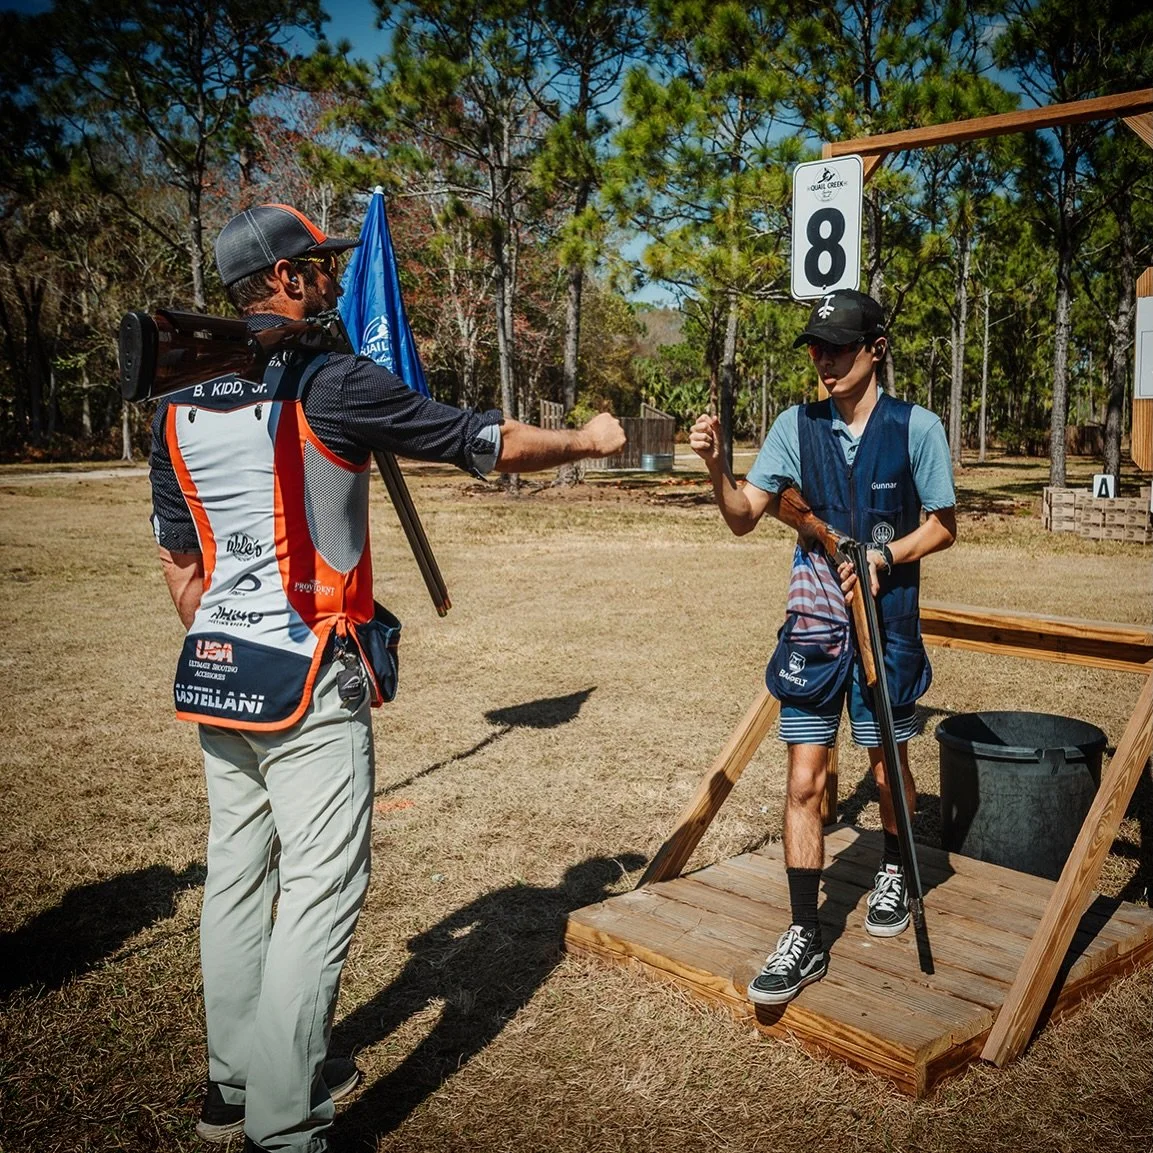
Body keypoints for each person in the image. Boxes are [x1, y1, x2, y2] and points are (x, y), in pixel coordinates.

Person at [148, 203, 626, 1153]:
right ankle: (284, 1124)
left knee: (238, 880)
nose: (329, 279)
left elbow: (179, 566)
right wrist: (589, 439)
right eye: (317, 268)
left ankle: (231, 1088)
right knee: (320, 888)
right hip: (310, 671)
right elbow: (481, 441)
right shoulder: (331, 381)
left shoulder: (178, 397)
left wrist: (233, 634)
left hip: (214, 667)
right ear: (285, 280)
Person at [689, 288, 956, 1007]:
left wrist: (884, 555)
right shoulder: (793, 424)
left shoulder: (916, 428)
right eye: (815, 346)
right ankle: (804, 932)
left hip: (884, 623)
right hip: (811, 628)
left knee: (885, 769)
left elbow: (943, 523)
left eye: (837, 345)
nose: (823, 359)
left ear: (876, 348)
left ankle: (895, 865)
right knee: (804, 782)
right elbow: (746, 514)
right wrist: (718, 467)